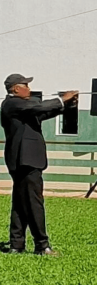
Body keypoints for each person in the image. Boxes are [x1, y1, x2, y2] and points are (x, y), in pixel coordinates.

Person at [1, 73, 78, 255]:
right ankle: (42, 245)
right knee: (35, 202)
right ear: (16, 89)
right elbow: (39, 107)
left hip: (22, 159)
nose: (29, 88)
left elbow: (43, 112)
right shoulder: (14, 103)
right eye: (25, 85)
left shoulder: (23, 108)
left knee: (20, 202)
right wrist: (61, 99)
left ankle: (16, 244)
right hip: (25, 159)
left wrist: (66, 105)